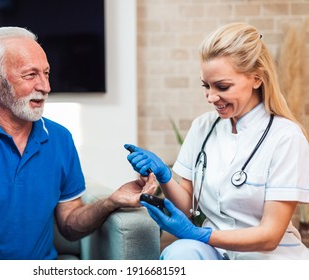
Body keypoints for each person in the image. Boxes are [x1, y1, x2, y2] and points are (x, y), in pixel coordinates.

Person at [0, 26, 157, 260]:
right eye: (30, 75)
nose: (45, 87)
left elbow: (69, 223)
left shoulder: (60, 138)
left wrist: (111, 201)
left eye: (46, 73)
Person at [125, 22, 309, 260]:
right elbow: (187, 210)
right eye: (206, 86)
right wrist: (165, 176)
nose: (211, 97)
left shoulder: (285, 136)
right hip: (216, 252)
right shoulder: (203, 126)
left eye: (222, 86)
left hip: (270, 260)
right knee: (181, 254)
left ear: (256, 79)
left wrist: (200, 234)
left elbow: (270, 236)